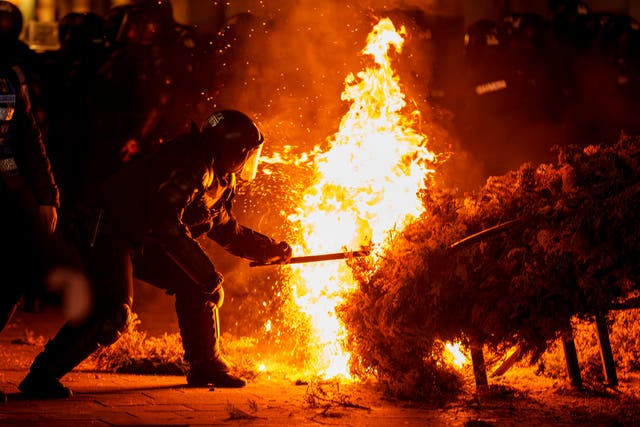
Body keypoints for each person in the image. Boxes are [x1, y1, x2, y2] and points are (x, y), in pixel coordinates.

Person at [18, 110, 292, 399]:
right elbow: (165, 220)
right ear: (232, 151)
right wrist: (207, 273)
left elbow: (225, 228)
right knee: (115, 313)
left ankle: (205, 366)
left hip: (140, 236)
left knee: (198, 286)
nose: (250, 163)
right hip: (106, 231)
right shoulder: (193, 166)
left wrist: (268, 249)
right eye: (247, 154)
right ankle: (42, 375)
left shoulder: (217, 173)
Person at [0, 0, 60, 403]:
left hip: (8, 189)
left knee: (10, 278)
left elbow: (28, 135)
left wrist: (46, 196)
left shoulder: (9, 75)